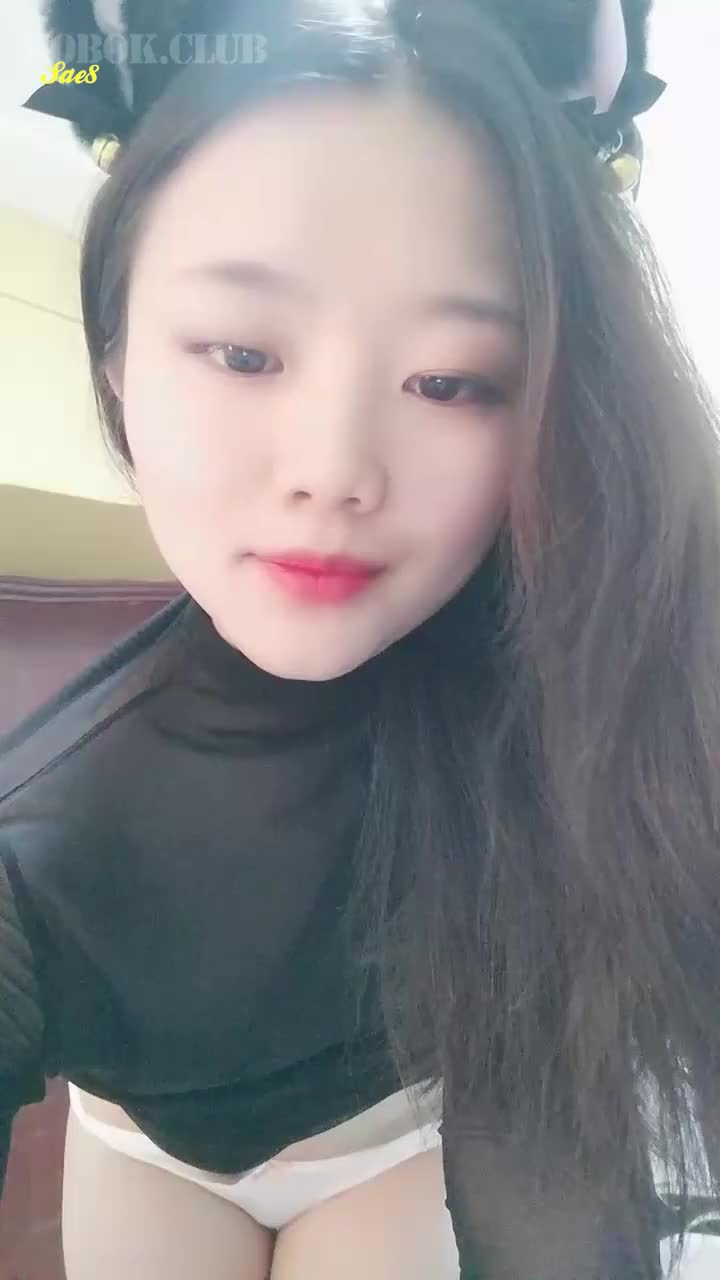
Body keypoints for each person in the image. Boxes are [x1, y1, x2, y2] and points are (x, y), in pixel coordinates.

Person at [4, 0, 719, 1276]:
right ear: (116, 358)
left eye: (450, 381)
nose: (335, 469)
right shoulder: (37, 814)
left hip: (396, 1141)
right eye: (242, 351)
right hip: (145, 1149)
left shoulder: (599, 695)